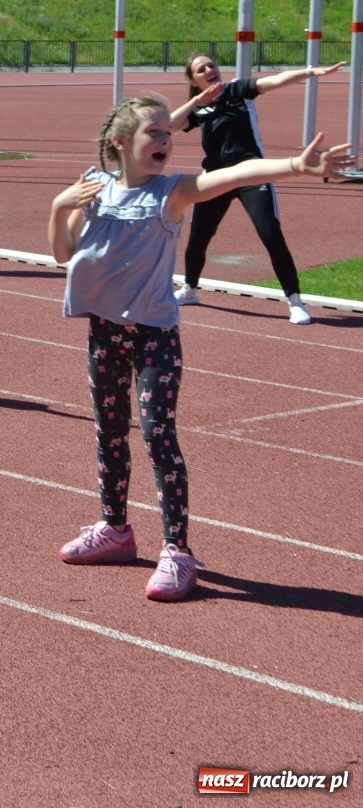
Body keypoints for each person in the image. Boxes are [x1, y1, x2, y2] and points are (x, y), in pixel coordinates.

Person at [48, 94, 353, 601]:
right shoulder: (92, 189)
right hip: (103, 332)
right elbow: (63, 254)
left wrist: (297, 165)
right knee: (109, 434)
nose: (166, 140)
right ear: (120, 143)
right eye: (155, 133)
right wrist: (60, 206)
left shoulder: (172, 192)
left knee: (157, 437)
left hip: (153, 337)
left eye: (169, 133)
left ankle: (177, 551)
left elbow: (232, 175)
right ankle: (115, 530)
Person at [170, 53, 346, 324]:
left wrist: (310, 71)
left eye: (211, 65)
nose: (208, 70)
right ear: (194, 79)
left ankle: (295, 302)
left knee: (270, 233)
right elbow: (167, 126)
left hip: (253, 173)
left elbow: (276, 81)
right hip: (216, 178)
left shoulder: (238, 89)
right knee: (198, 238)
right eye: (200, 69)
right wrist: (195, 101)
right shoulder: (198, 108)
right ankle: (190, 290)